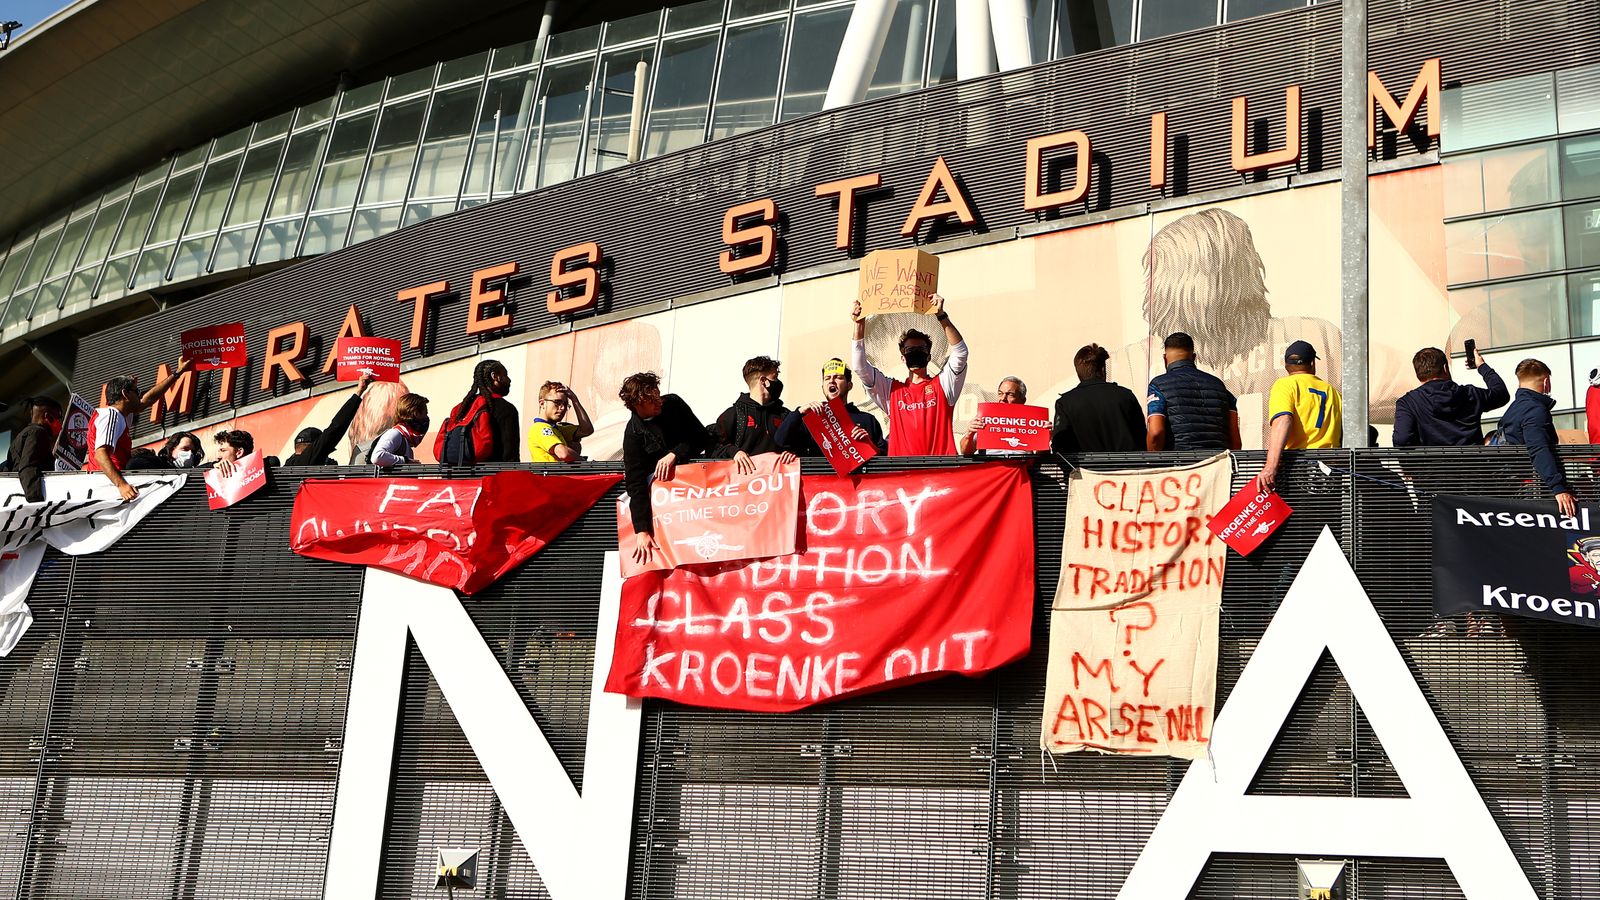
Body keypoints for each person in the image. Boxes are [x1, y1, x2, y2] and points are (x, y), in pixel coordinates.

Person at [850, 293, 968, 456]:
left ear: (929, 356)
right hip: (904, 474)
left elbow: (961, 352)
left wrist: (941, 316)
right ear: (902, 357)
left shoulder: (944, 385)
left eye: (921, 350)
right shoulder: (891, 391)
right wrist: (859, 325)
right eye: (910, 350)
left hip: (940, 471)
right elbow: (859, 367)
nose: (915, 353)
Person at [619, 372, 708, 565]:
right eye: (653, 400)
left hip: (699, 494)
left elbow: (702, 437)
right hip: (671, 509)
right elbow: (635, 485)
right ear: (638, 403)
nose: (659, 402)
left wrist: (674, 454)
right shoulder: (633, 434)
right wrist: (642, 530)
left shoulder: (673, 404)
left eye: (659, 395)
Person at [87, 358, 194, 501]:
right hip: (109, 487)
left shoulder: (120, 415)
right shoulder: (111, 415)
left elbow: (147, 400)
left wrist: (177, 373)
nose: (139, 395)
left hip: (110, 484)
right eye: (136, 391)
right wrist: (122, 485)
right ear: (125, 394)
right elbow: (100, 454)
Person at [1259, 341, 1343, 492]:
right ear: (1312, 363)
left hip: (1297, 470)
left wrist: (1270, 465)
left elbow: (1282, 420)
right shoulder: (1334, 392)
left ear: (1286, 365)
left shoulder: (1285, 385)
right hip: (1329, 473)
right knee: (1326, 515)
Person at [1497, 358, 1577, 517]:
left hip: (1518, 486)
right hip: (1536, 488)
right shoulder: (1535, 410)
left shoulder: (1513, 409)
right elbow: (1538, 448)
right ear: (1546, 382)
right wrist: (1558, 488)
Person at [1392, 346, 1508, 447]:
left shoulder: (1408, 403)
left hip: (1432, 471)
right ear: (1445, 368)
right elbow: (1501, 394)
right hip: (1473, 469)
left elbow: (1402, 440)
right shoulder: (1470, 394)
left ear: (1418, 375)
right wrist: (1482, 366)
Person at [1145, 332, 1242, 452]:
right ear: (1194, 357)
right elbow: (1235, 440)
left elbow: (1155, 432)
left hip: (1181, 464)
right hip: (1217, 465)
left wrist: (1155, 463)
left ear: (1165, 359)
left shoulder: (1158, 385)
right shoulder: (1219, 386)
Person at [775, 358, 885, 456]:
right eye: (827, 378)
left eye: (838, 377)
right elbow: (780, 440)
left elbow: (885, 456)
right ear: (823, 387)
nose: (832, 381)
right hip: (821, 478)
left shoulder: (867, 420)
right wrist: (799, 412)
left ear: (849, 385)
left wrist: (869, 446)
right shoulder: (811, 419)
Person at [1052, 344, 1146, 453]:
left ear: (1078, 372)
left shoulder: (1065, 403)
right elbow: (1141, 436)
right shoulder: (1126, 395)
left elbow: (1060, 447)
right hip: (1127, 468)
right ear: (1102, 369)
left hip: (1084, 469)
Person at [708, 355, 794, 473]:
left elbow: (802, 445)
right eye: (775, 377)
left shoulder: (784, 415)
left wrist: (793, 452)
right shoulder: (734, 415)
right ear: (764, 381)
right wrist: (735, 452)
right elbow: (712, 447)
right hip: (743, 486)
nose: (778, 382)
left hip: (777, 486)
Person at [435, 359, 520, 464]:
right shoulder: (506, 409)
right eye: (505, 375)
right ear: (495, 377)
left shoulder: (462, 408)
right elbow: (509, 454)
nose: (509, 380)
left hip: (455, 476)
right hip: (488, 477)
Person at [285, 373, 375, 466]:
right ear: (313, 447)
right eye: (325, 453)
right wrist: (359, 392)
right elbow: (336, 428)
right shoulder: (308, 459)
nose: (327, 458)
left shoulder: (285, 468)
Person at [3, 396, 62, 502]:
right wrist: (36, 501)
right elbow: (29, 466)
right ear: (48, 417)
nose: (60, 423)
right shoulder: (38, 432)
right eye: (58, 418)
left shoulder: (27, 433)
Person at [959, 376, 1031, 456]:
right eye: (1000, 393)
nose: (1003, 398)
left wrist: (1045, 438)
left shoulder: (1032, 422)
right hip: (991, 466)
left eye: (1010, 394)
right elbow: (965, 452)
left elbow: (1042, 455)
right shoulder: (986, 417)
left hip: (1021, 466)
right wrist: (969, 434)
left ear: (1022, 400)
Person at [528, 381, 596, 463]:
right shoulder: (539, 428)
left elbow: (587, 430)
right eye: (557, 402)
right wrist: (583, 462)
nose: (563, 408)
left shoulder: (558, 429)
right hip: (552, 476)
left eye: (565, 404)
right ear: (542, 403)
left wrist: (575, 400)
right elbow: (563, 454)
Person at [371, 394, 430, 469]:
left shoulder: (406, 439)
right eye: (425, 413)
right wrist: (405, 461)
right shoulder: (395, 434)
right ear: (415, 413)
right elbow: (377, 457)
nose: (426, 418)